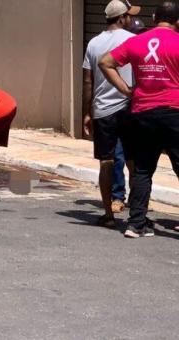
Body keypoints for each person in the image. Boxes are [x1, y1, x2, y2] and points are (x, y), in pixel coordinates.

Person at [100, 1, 179, 238]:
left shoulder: (136, 41)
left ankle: (135, 224)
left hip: (143, 112)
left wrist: (126, 90)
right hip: (174, 111)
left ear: (154, 17)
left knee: (143, 169)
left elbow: (105, 62)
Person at [82, 0, 140, 227]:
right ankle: (138, 213)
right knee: (134, 162)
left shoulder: (94, 43)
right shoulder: (133, 40)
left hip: (102, 110)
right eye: (128, 16)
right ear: (121, 18)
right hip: (130, 106)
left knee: (106, 162)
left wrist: (87, 113)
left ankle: (108, 214)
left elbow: (88, 81)